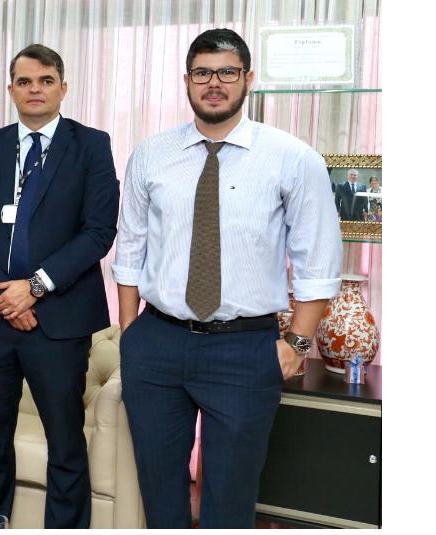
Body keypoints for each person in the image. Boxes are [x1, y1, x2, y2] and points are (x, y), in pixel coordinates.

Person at [111, 28, 342, 528]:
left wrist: (296, 345)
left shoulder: (292, 158)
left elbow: (318, 263)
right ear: (186, 81)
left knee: (231, 499)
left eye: (227, 72)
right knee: (158, 492)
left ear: (248, 79)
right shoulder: (151, 154)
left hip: (244, 349)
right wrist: (130, 332)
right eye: (202, 73)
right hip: (157, 343)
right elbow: (129, 249)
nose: (214, 83)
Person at [0, 44, 119, 528]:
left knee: (65, 444)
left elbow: (98, 232)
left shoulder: (91, 145)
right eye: (24, 82)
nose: (35, 90)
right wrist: (4, 295)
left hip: (59, 321)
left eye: (46, 81)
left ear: (63, 88)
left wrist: (35, 287)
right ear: (11, 90)